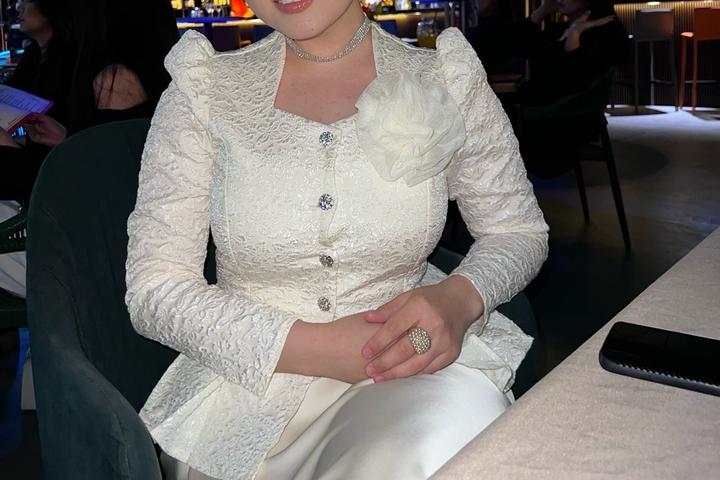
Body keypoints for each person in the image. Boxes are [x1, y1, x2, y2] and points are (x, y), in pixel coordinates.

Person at [125, 1, 549, 479]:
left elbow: (516, 230)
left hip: (409, 369)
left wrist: (460, 297)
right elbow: (154, 289)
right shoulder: (203, 88)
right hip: (247, 396)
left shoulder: (446, 77)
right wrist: (320, 348)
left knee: (445, 436)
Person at [0, 0, 178, 299]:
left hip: (98, 267)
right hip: (124, 253)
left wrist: (8, 151)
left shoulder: (116, 80)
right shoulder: (157, 71)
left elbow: (88, 190)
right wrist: (67, 140)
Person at [477, 0, 630, 178]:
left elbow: (571, 81)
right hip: (535, 111)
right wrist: (541, 11)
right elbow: (499, 50)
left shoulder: (604, 31)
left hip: (557, 125)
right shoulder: (559, 29)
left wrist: (573, 37)